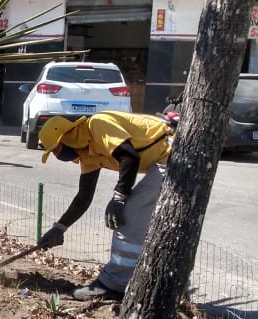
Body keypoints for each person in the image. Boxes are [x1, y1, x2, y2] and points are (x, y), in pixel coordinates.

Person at [35, 111, 172, 301]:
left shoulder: (97, 125)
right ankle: (161, 282)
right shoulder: (87, 153)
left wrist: (118, 198)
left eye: (56, 149)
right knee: (150, 222)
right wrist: (59, 228)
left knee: (129, 214)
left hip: (172, 153)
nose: (58, 155)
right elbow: (84, 197)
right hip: (163, 160)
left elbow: (129, 157)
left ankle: (115, 285)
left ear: (66, 137)